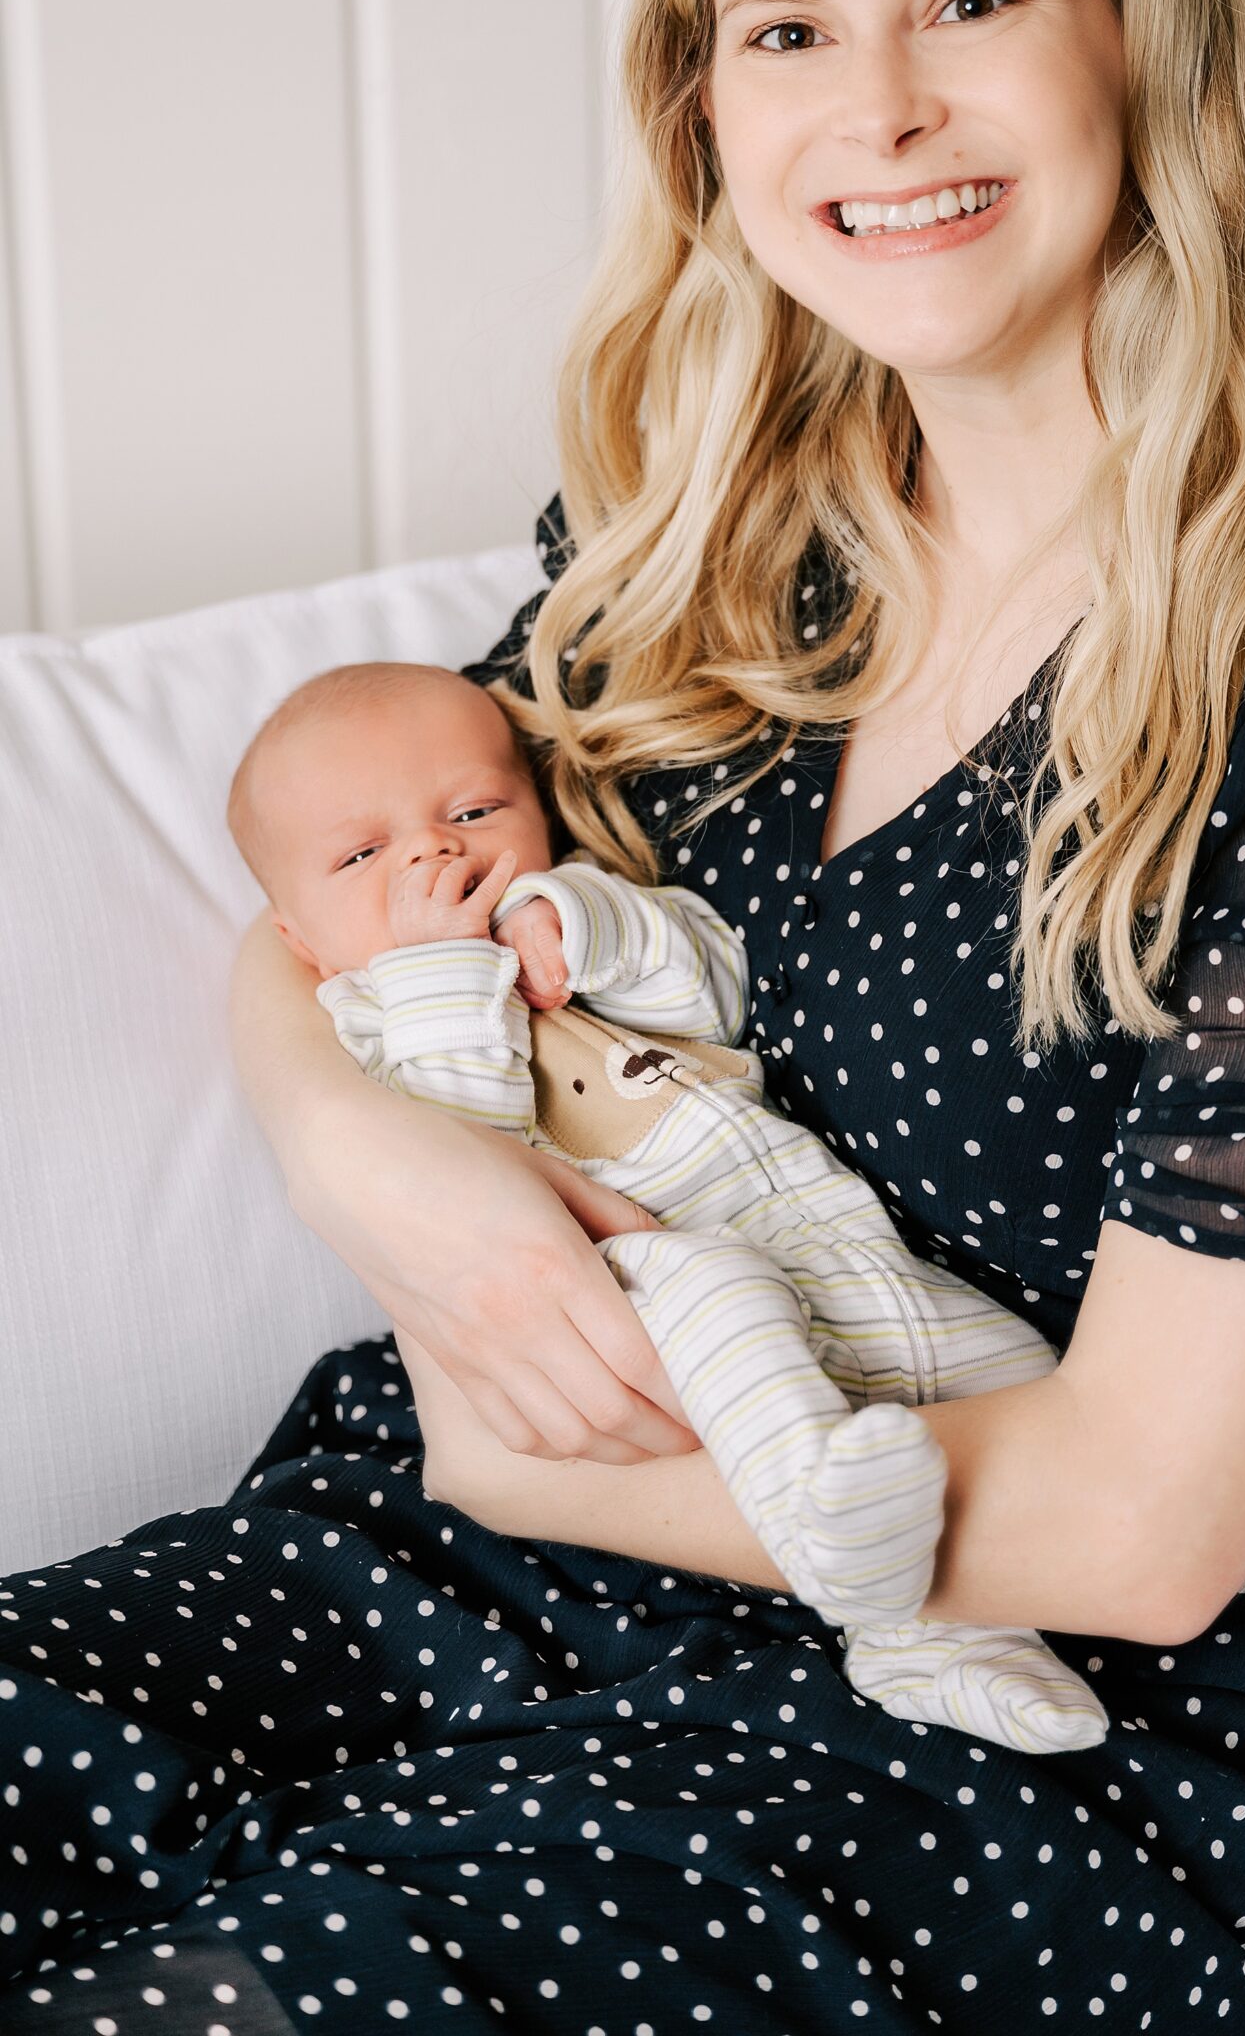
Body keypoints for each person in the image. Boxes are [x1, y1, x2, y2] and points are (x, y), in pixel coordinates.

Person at [0, 0, 1245, 2035]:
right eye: (784, 32)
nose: (883, 110)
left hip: (1005, 1699)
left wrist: (520, 1452)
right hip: (464, 1535)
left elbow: (1144, 1529)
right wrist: (383, 1173)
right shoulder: (706, 531)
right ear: (705, 106)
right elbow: (335, 891)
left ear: (1136, 33)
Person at [224, 656, 1110, 1753]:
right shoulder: (371, 1018)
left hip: (820, 1231)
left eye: (471, 810)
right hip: (640, 1262)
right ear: (300, 941)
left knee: (1009, 1367)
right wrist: (441, 971)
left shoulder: (586, 906)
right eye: (363, 855)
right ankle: (873, 1589)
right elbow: (466, 1129)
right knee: (725, 1298)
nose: (431, 850)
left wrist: (579, 922)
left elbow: (715, 987)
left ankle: (945, 1639)